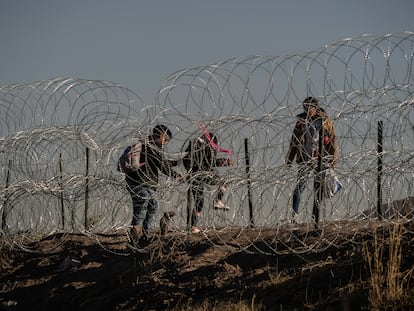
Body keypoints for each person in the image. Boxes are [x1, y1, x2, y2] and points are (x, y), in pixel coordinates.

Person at [124, 124, 183, 249]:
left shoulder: (149, 146)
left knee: (152, 206)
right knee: (142, 208)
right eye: (165, 139)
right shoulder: (151, 146)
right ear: (161, 135)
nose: (165, 143)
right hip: (140, 183)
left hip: (146, 184)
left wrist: (179, 162)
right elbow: (162, 165)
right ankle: (135, 239)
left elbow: (162, 163)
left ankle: (144, 236)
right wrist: (175, 175)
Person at [286, 97, 338, 225]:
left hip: (321, 158)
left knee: (317, 188)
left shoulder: (325, 121)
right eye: (305, 107)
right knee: (300, 186)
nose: (307, 109)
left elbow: (332, 140)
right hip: (305, 157)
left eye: (310, 107)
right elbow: (294, 141)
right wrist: (290, 158)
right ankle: (295, 216)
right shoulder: (301, 122)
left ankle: (315, 216)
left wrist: (333, 157)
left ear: (315, 108)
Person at [183, 131, 234, 234]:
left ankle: (192, 226)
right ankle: (218, 201)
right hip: (201, 174)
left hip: (195, 175)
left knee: (199, 201)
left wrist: (190, 172)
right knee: (223, 181)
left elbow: (208, 161)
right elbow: (210, 162)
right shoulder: (201, 146)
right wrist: (225, 162)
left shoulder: (196, 145)